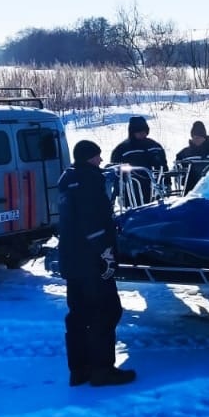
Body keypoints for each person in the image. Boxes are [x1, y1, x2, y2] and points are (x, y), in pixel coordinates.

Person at [58, 139, 136, 387]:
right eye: (97, 156)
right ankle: (102, 369)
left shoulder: (68, 181)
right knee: (106, 310)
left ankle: (79, 369)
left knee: (78, 314)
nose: (100, 160)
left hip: (72, 261)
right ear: (88, 158)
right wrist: (105, 252)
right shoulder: (88, 181)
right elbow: (92, 223)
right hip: (92, 262)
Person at [110, 116, 168, 203]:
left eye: (144, 131)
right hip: (132, 191)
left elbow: (163, 165)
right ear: (132, 132)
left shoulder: (155, 146)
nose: (142, 133)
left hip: (156, 187)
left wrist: (167, 182)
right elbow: (116, 172)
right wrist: (118, 191)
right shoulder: (122, 149)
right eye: (138, 131)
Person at [174, 120, 209, 193]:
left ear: (204, 137)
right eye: (195, 137)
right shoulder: (184, 154)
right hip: (191, 190)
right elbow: (177, 171)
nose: (197, 140)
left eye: (199, 137)